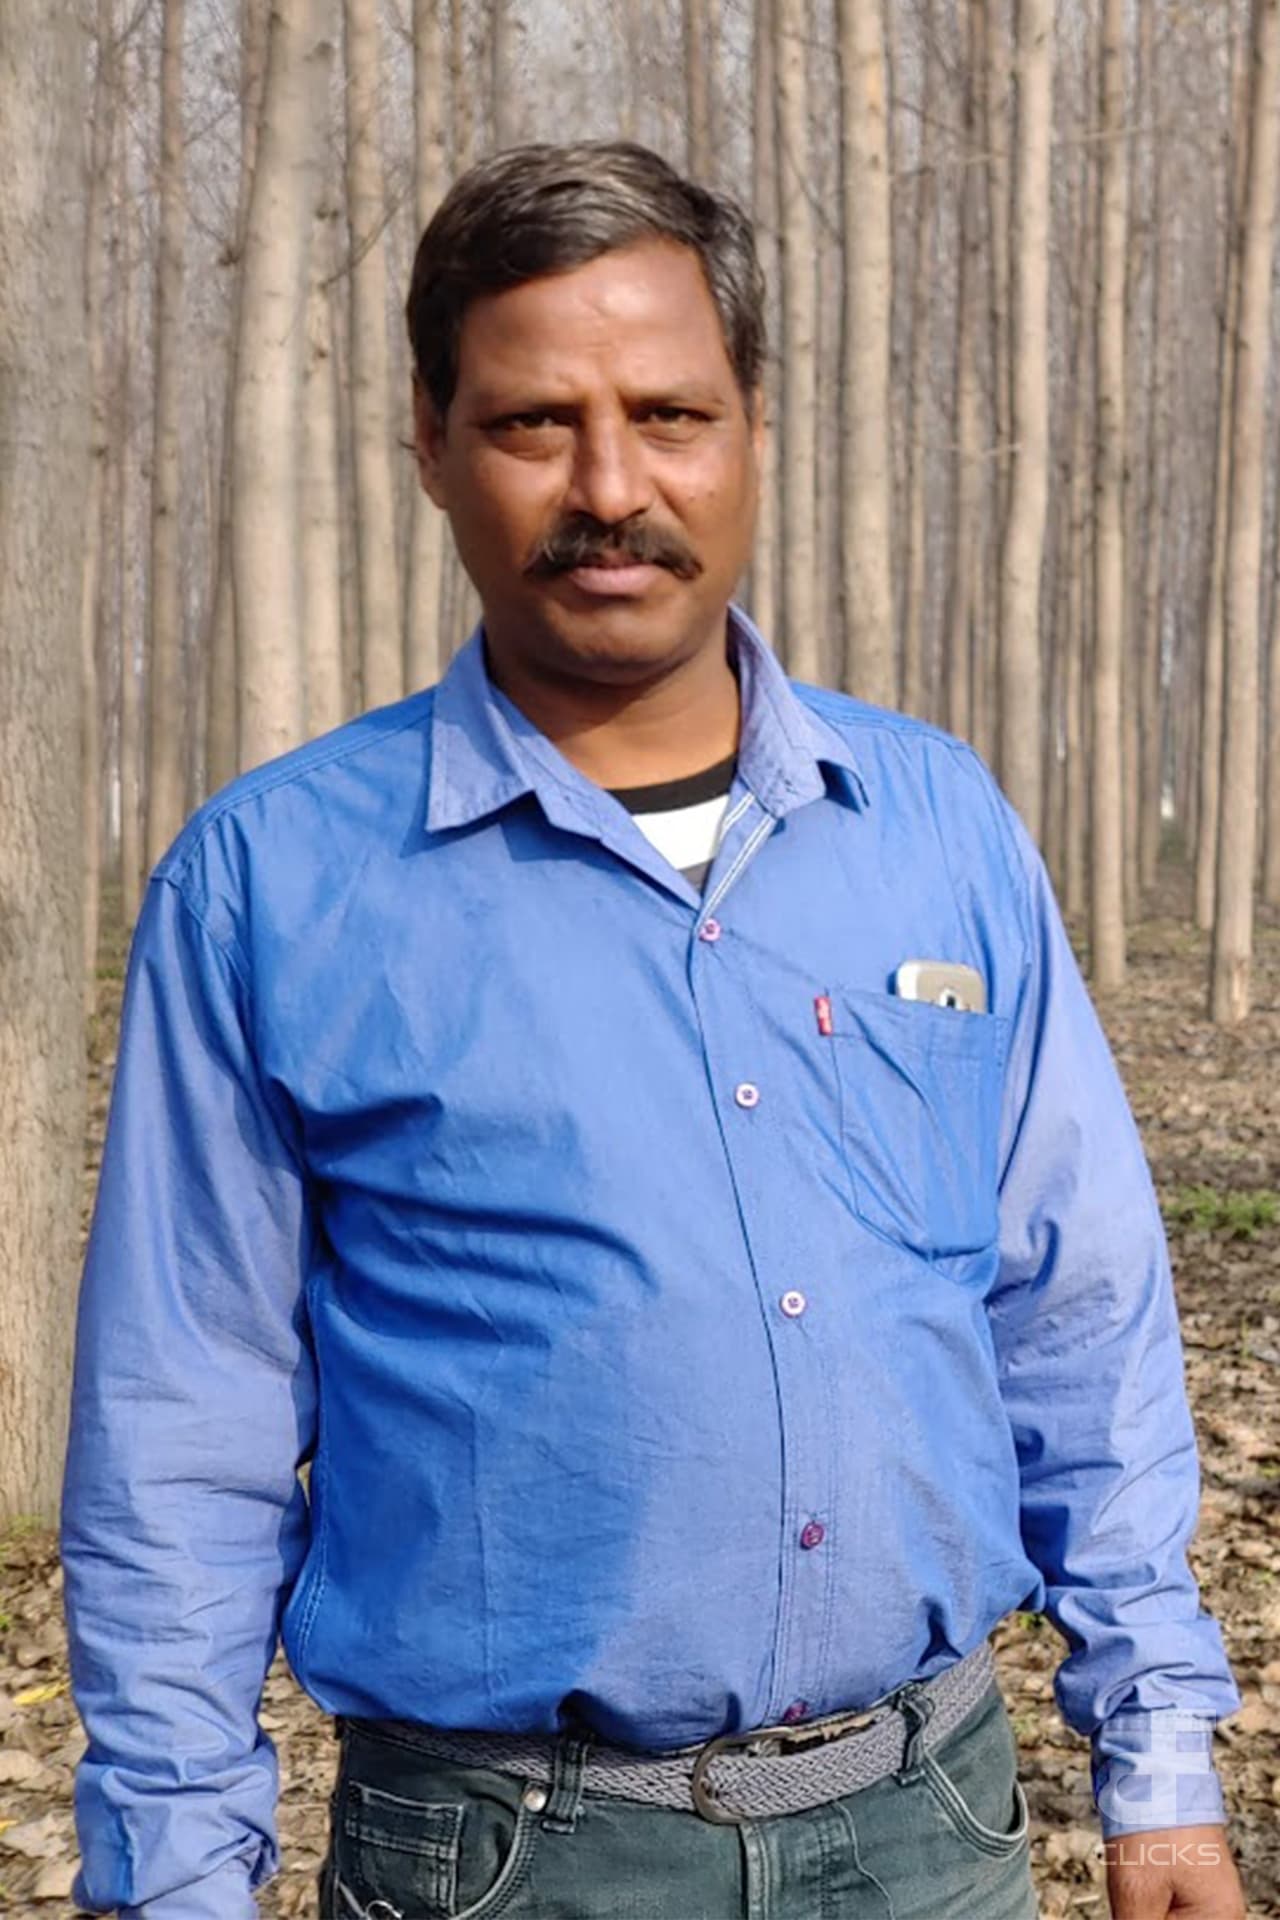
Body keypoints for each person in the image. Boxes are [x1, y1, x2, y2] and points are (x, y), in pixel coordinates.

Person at [62, 142, 1246, 1920]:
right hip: (505, 1862)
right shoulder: (273, 884)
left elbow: (1078, 1316)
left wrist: (1160, 1764)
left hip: (934, 1835)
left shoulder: (938, 829)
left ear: (753, 425)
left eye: (670, 415)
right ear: (431, 441)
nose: (611, 487)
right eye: (536, 423)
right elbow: (183, 1440)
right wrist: (171, 1879)